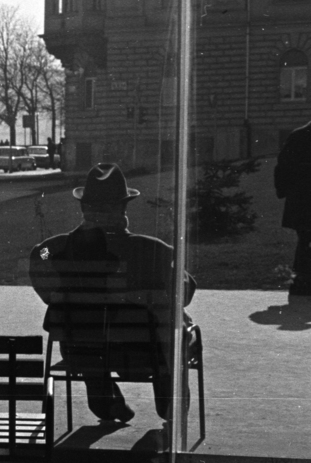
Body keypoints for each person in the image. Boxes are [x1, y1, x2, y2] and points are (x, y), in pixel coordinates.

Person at [27, 162, 196, 423]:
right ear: (123, 208)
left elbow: (40, 256)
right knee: (176, 329)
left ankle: (106, 401)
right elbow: (184, 293)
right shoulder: (155, 250)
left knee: (89, 336)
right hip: (148, 351)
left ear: (84, 208)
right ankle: (168, 400)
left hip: (83, 350)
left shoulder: (54, 248)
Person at [275, 117, 311, 296]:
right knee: (305, 240)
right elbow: (284, 167)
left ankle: (301, 282)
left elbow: (282, 167)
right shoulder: (299, 136)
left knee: (305, 241)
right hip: (304, 199)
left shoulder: (298, 135)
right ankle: (302, 282)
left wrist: (285, 191)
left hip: (301, 200)